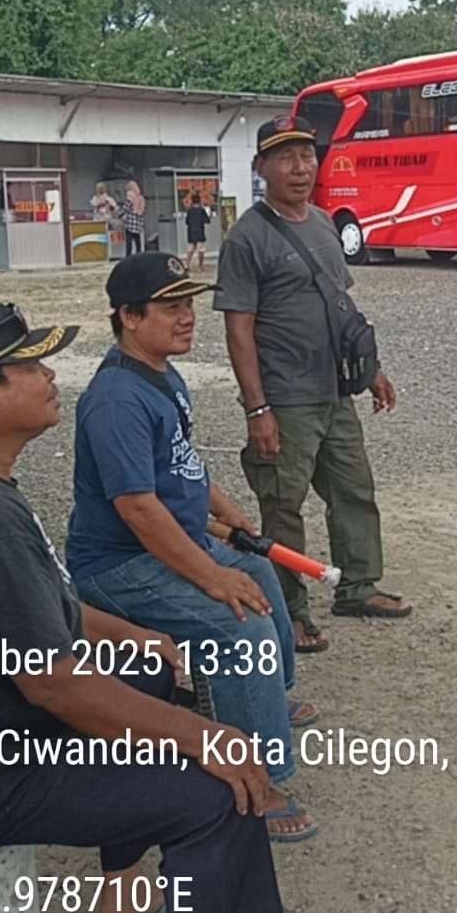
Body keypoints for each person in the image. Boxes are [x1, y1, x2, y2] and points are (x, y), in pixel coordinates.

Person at [0, 299, 289, 913]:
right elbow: (53, 683)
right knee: (216, 795)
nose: (51, 376)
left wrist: (135, 637)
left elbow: (35, 603)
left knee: (149, 669)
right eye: (31, 366)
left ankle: (122, 898)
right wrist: (204, 735)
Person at [65, 253, 320, 842]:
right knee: (239, 625)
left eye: (188, 305)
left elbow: (180, 463)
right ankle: (258, 775)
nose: (187, 318)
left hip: (173, 542)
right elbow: (137, 508)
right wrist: (210, 575)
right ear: (129, 317)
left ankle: (265, 702)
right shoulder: (116, 399)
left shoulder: (161, 374)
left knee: (259, 571)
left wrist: (224, 510)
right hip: (119, 565)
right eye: (170, 307)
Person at [215, 116, 409, 655]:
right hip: (284, 399)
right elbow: (238, 329)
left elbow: (340, 306)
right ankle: (291, 610)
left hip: (334, 392)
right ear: (261, 167)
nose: (300, 168)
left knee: (354, 490)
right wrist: (258, 409)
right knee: (284, 505)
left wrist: (370, 370)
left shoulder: (324, 223)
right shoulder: (247, 238)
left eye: (306, 155)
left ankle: (358, 586)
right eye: (285, 157)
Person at [186, 191, 213, 274]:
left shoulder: (189, 211)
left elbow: (186, 222)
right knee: (201, 250)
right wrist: (210, 215)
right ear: (200, 201)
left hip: (191, 232)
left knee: (190, 249)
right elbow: (207, 221)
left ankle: (187, 264)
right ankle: (200, 266)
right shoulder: (201, 211)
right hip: (200, 233)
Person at [120, 180, 147, 257]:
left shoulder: (130, 195)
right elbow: (142, 209)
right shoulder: (141, 197)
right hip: (138, 221)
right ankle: (139, 255)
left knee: (129, 241)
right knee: (137, 240)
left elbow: (126, 207)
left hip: (130, 221)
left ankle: (128, 256)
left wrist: (120, 214)